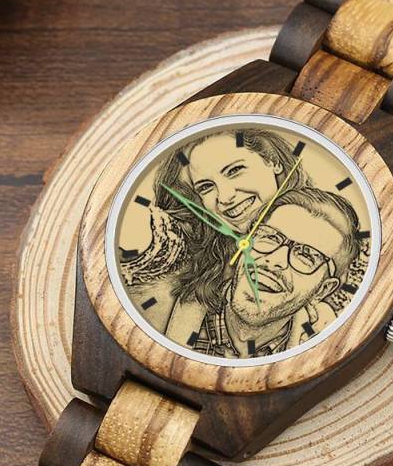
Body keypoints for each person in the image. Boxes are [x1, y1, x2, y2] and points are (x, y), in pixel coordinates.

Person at [118, 127, 309, 333]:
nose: (225, 197)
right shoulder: (208, 263)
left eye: (234, 171)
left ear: (273, 161)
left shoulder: (324, 231)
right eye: (206, 187)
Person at [194, 187, 361, 358]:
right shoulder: (184, 308)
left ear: (322, 290)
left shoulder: (314, 351)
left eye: (306, 256)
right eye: (270, 237)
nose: (274, 261)